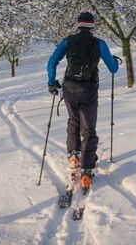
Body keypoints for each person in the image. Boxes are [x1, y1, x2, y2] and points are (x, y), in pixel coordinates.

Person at [47, 11, 119, 190]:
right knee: (89, 129)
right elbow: (113, 68)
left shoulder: (68, 41)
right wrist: (115, 62)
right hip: (89, 91)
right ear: (93, 26)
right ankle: (86, 171)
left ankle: (73, 156)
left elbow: (51, 62)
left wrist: (51, 83)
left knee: (73, 121)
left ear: (78, 25)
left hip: (70, 89)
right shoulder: (99, 43)